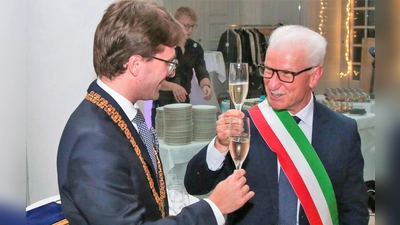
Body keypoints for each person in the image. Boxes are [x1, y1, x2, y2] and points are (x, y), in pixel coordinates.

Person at [56, 1, 254, 224]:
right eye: (168, 63)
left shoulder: (116, 116)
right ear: (136, 64)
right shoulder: (94, 140)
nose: (171, 74)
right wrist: (214, 208)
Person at [185, 25, 369, 224]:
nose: (272, 84)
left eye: (286, 74)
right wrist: (220, 145)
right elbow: (195, 185)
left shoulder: (342, 131)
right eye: (269, 71)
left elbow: (354, 211)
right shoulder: (246, 124)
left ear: (314, 76)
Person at [151, 6, 212, 126]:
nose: (189, 30)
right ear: (175, 23)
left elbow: (201, 71)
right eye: (186, 25)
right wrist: (173, 86)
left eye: (192, 26)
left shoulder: (195, 48)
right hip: (162, 103)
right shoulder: (165, 47)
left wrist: (206, 86)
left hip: (184, 102)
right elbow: (154, 79)